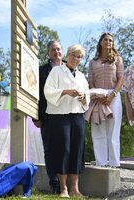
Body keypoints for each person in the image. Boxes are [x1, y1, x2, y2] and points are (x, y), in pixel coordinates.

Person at [44, 44, 90, 198]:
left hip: (77, 116)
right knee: (63, 149)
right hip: (59, 116)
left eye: (79, 57)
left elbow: (87, 98)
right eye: (73, 55)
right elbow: (48, 91)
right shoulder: (57, 71)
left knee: (77, 150)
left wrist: (84, 98)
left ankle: (74, 189)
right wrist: (65, 92)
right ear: (67, 55)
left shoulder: (82, 76)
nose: (75, 59)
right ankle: (63, 189)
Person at [88, 32, 124, 167]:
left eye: (111, 40)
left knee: (113, 130)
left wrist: (112, 95)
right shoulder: (92, 62)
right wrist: (97, 95)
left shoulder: (118, 59)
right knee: (98, 129)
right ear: (101, 42)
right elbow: (90, 81)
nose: (108, 42)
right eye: (106, 40)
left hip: (113, 96)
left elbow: (120, 79)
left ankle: (114, 164)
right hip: (97, 97)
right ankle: (101, 163)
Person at [32, 41, 63, 194]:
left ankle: (65, 184)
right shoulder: (41, 71)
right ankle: (54, 182)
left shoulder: (69, 69)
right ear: (48, 53)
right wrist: (35, 116)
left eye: (58, 49)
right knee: (50, 150)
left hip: (67, 117)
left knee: (65, 149)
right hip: (47, 117)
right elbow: (35, 96)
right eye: (53, 50)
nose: (56, 52)